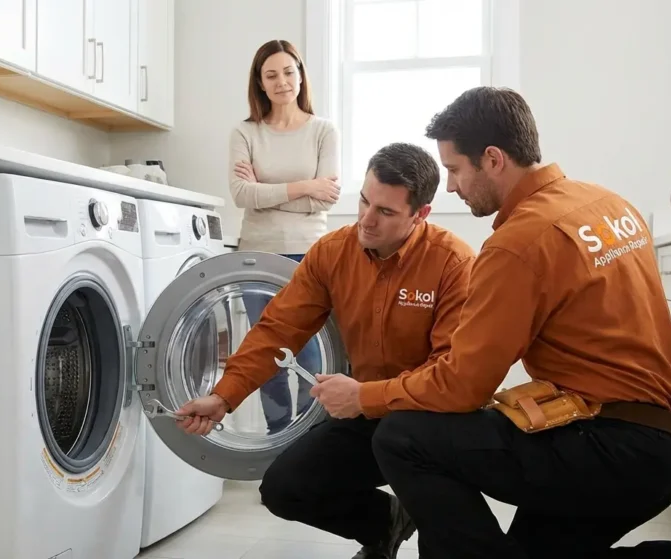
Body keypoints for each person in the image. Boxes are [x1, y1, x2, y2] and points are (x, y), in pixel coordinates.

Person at [310, 86, 671, 558]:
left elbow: (462, 386)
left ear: (493, 159)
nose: (450, 185)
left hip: (612, 447)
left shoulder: (519, 243)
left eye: (454, 169)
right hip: (665, 444)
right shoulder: (608, 204)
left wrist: (364, 396)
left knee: (402, 436)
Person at [177, 142, 477, 559]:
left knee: (443, 539)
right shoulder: (333, 252)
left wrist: (367, 397)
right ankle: (386, 523)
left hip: (433, 421)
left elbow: (450, 370)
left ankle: (426, 523)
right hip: (368, 412)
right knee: (283, 489)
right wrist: (224, 396)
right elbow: (278, 329)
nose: (366, 221)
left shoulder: (453, 263)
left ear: (420, 214)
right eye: (364, 201)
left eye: (386, 212)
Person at [227, 39, 341, 434]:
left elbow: (324, 201)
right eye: (271, 75)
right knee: (269, 359)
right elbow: (242, 195)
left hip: (309, 257)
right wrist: (304, 187)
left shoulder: (324, 131)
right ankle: (280, 443)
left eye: (289, 72)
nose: (282, 82)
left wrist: (269, 193)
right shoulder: (245, 133)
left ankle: (311, 446)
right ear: (260, 83)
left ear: (301, 75)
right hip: (257, 257)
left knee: (313, 358)